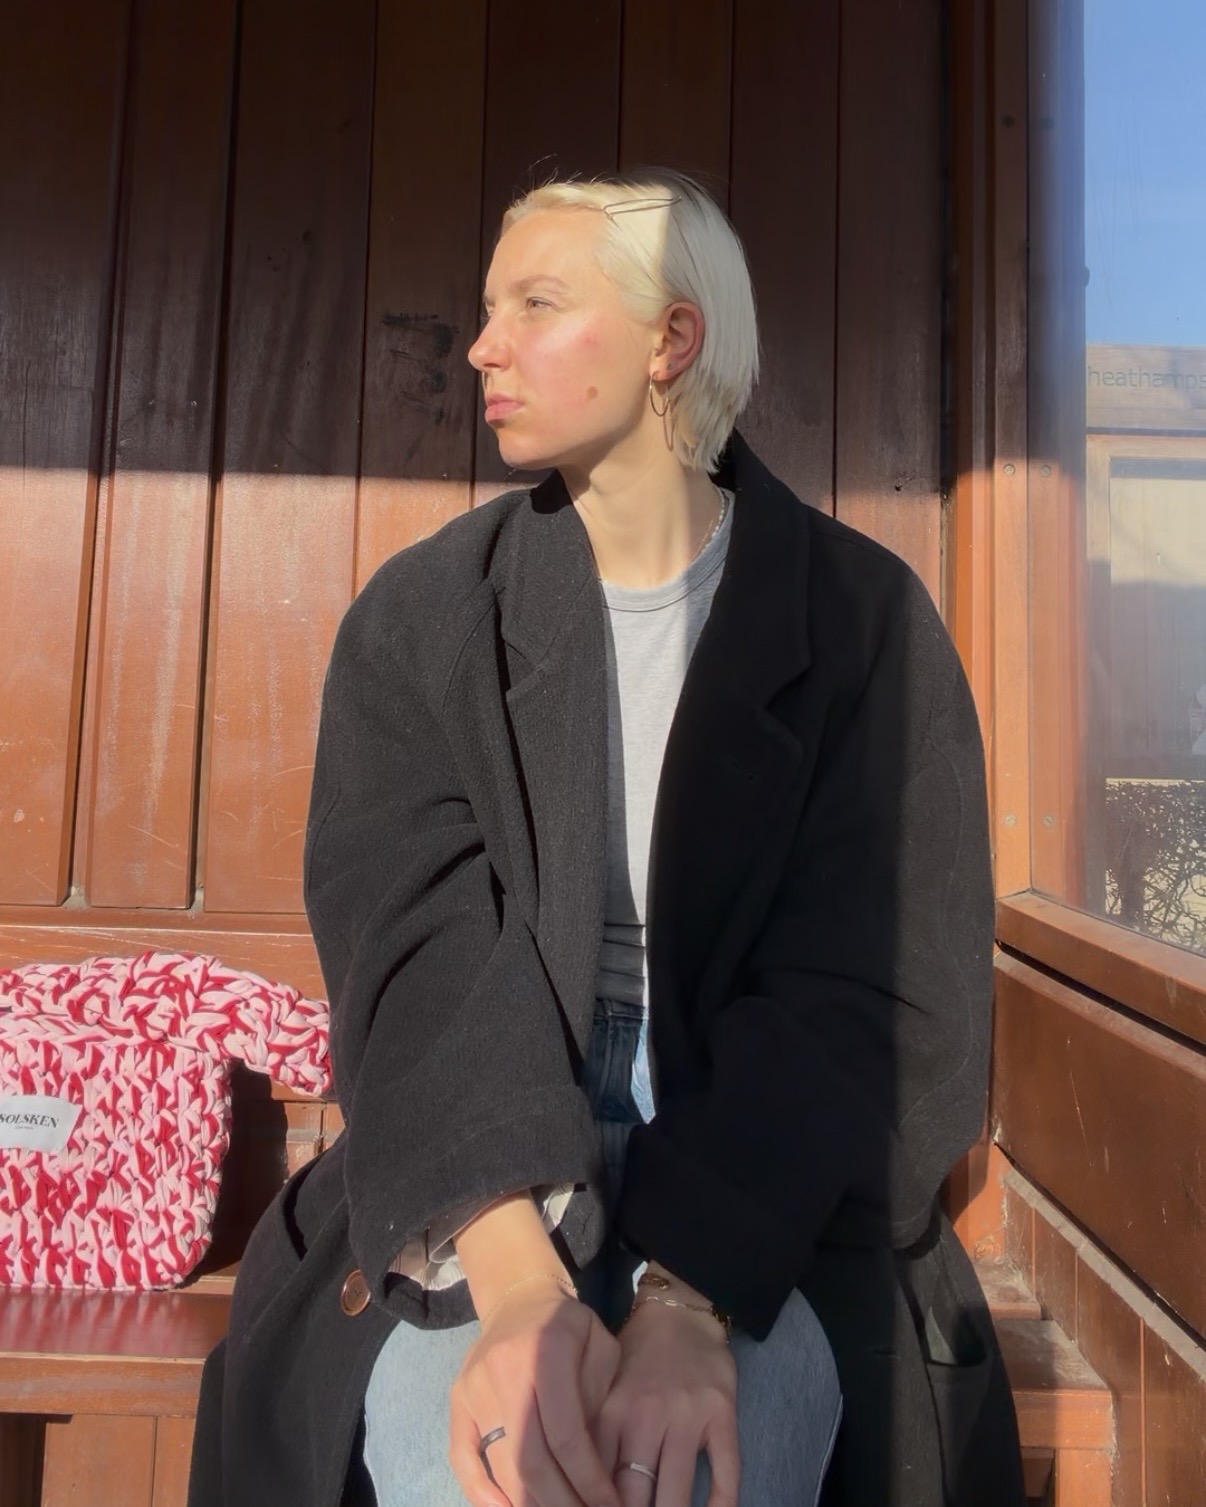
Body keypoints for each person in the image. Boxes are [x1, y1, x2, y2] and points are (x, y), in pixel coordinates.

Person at [189, 171, 1025, 1507]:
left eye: (535, 302)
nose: (481, 346)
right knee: (473, 1466)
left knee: (687, 1471)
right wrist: (517, 1294)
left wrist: (690, 1308)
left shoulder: (863, 625)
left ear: (667, 343)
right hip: (476, 1182)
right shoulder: (423, 622)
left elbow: (866, 991)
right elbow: (415, 962)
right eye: (483, 307)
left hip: (773, 1191)